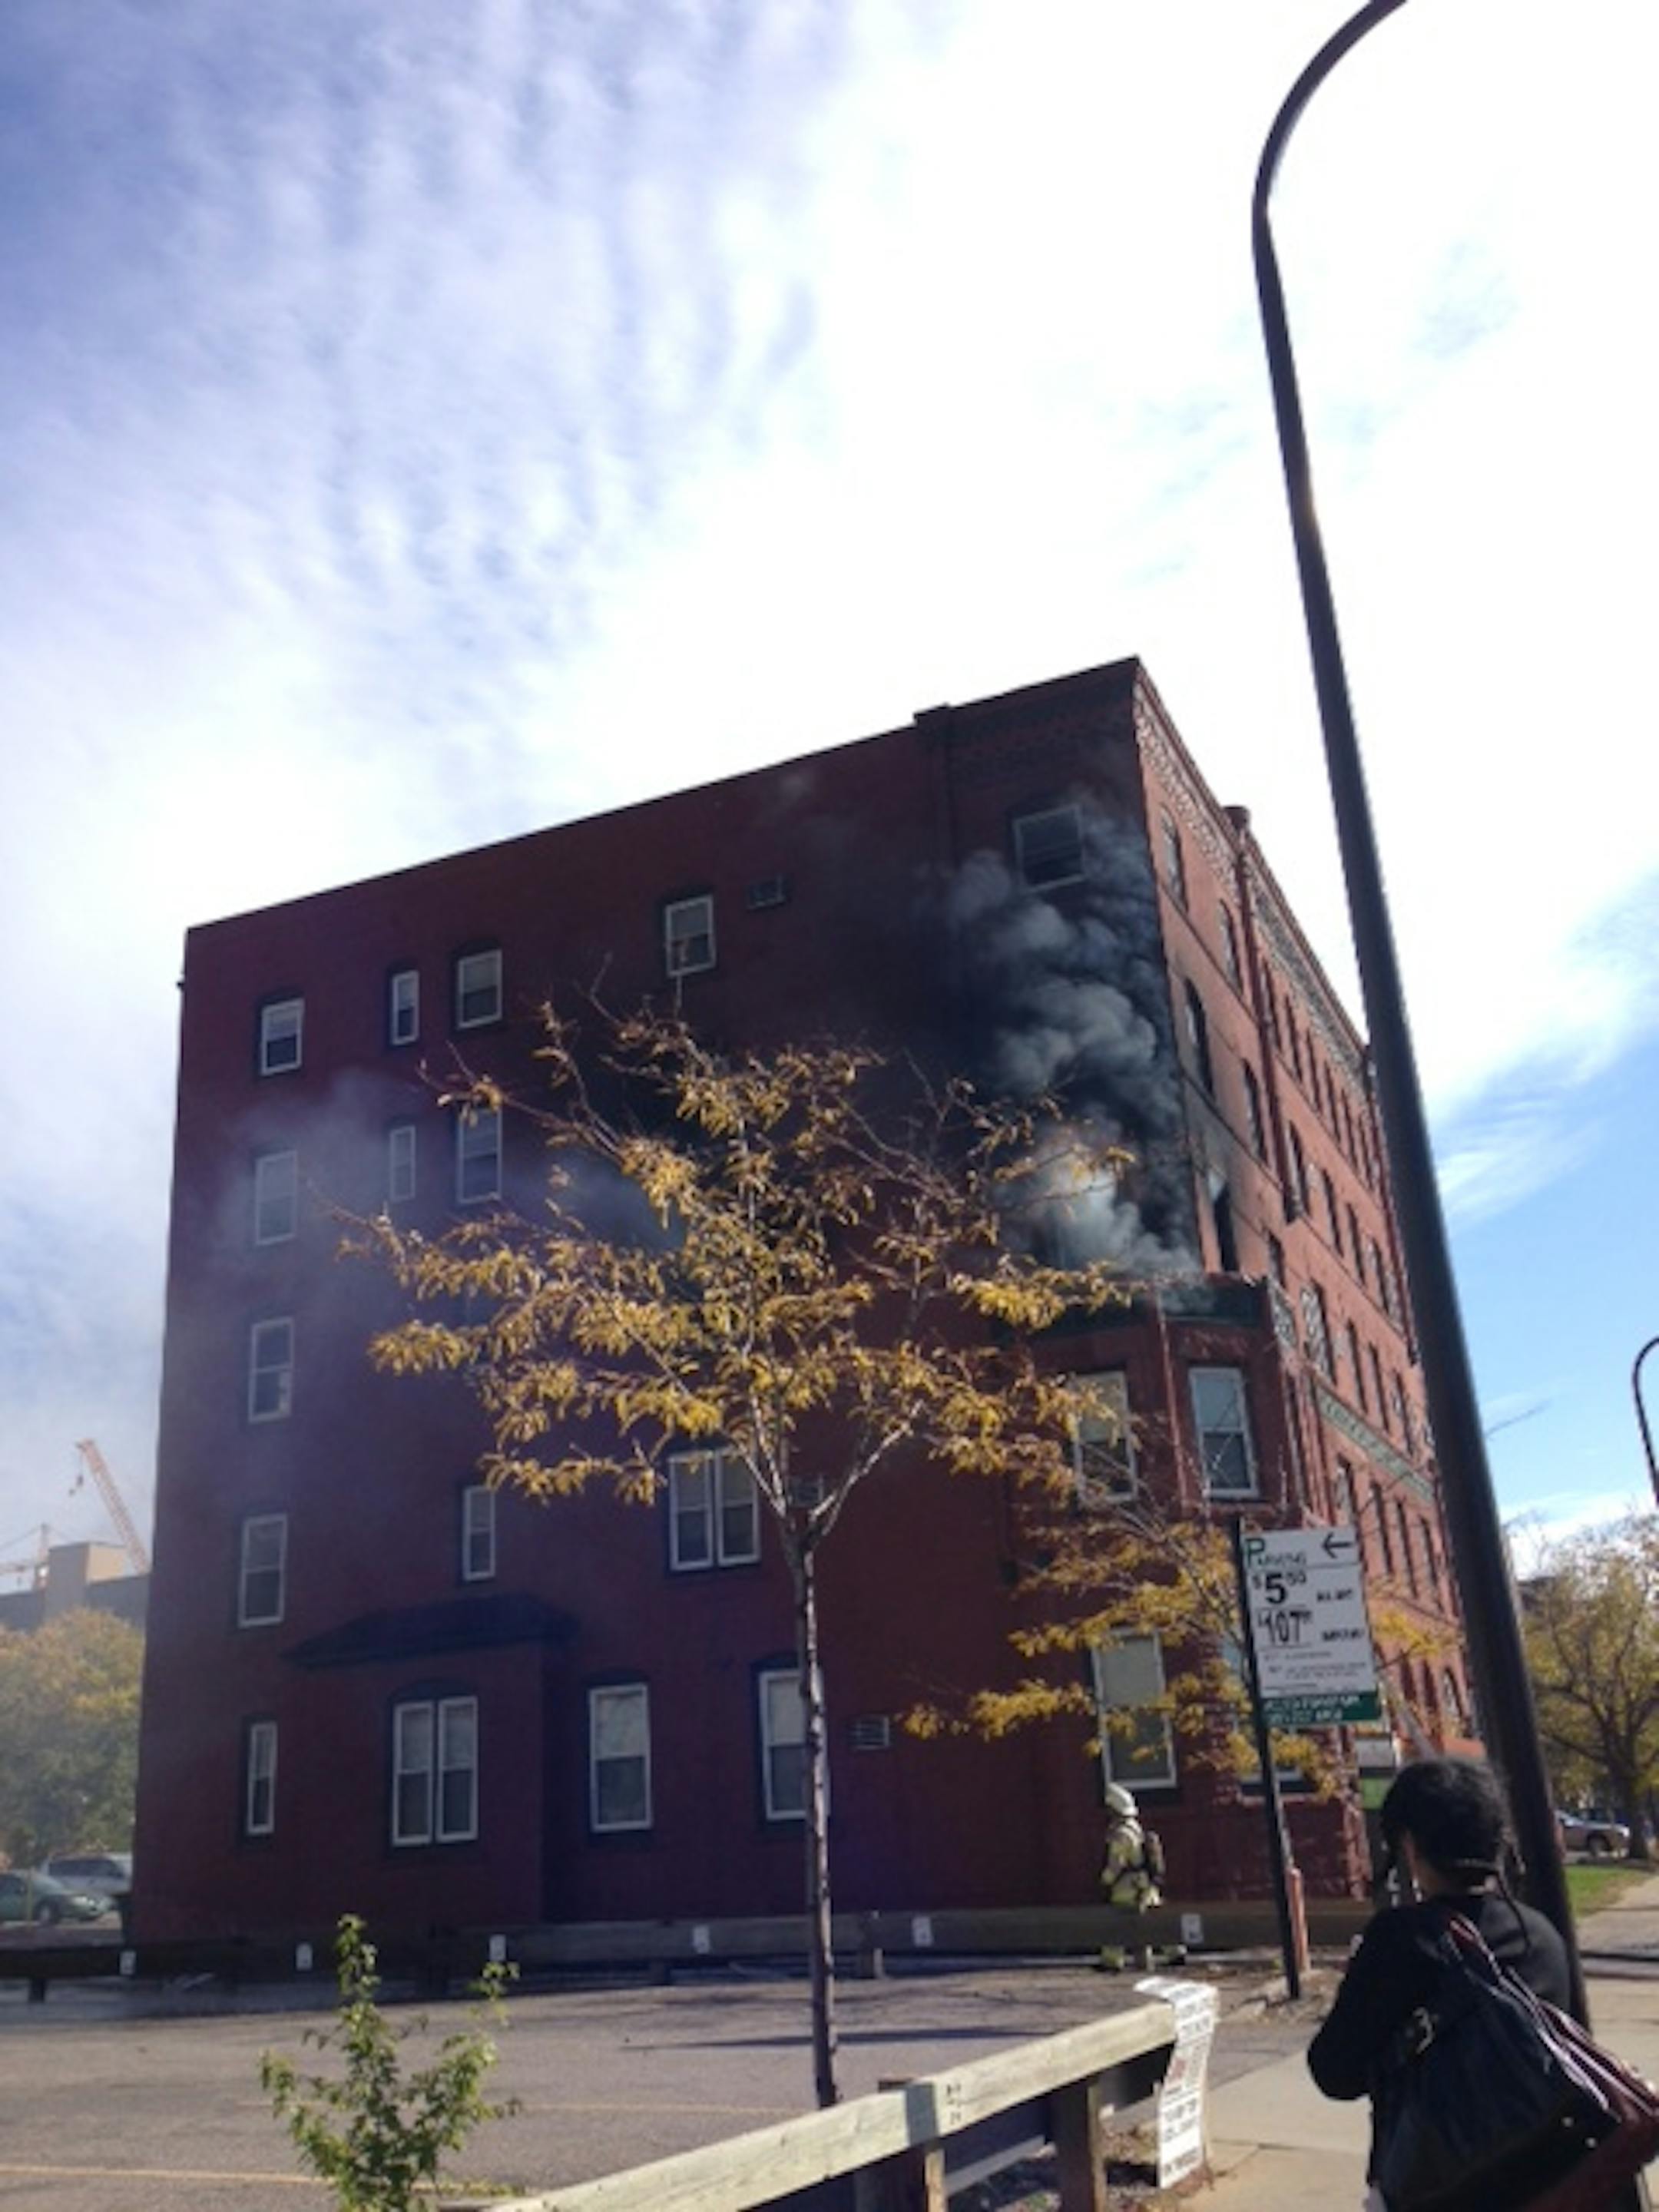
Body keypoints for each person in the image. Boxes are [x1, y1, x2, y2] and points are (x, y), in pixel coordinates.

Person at [1308, 1757, 1573, 2210]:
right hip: (1548, 2182)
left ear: (1410, 1847)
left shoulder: (1401, 1940)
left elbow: (1335, 2073)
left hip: (1437, 2187)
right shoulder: (1541, 1936)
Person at [1098, 1781, 1178, 1969]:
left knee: (1118, 1922)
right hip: (1146, 1883)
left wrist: (1106, 1880)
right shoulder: (1136, 1827)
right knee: (1155, 1920)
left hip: (1127, 1887)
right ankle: (1174, 1952)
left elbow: (1116, 1863)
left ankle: (1111, 1961)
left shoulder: (1120, 1834)